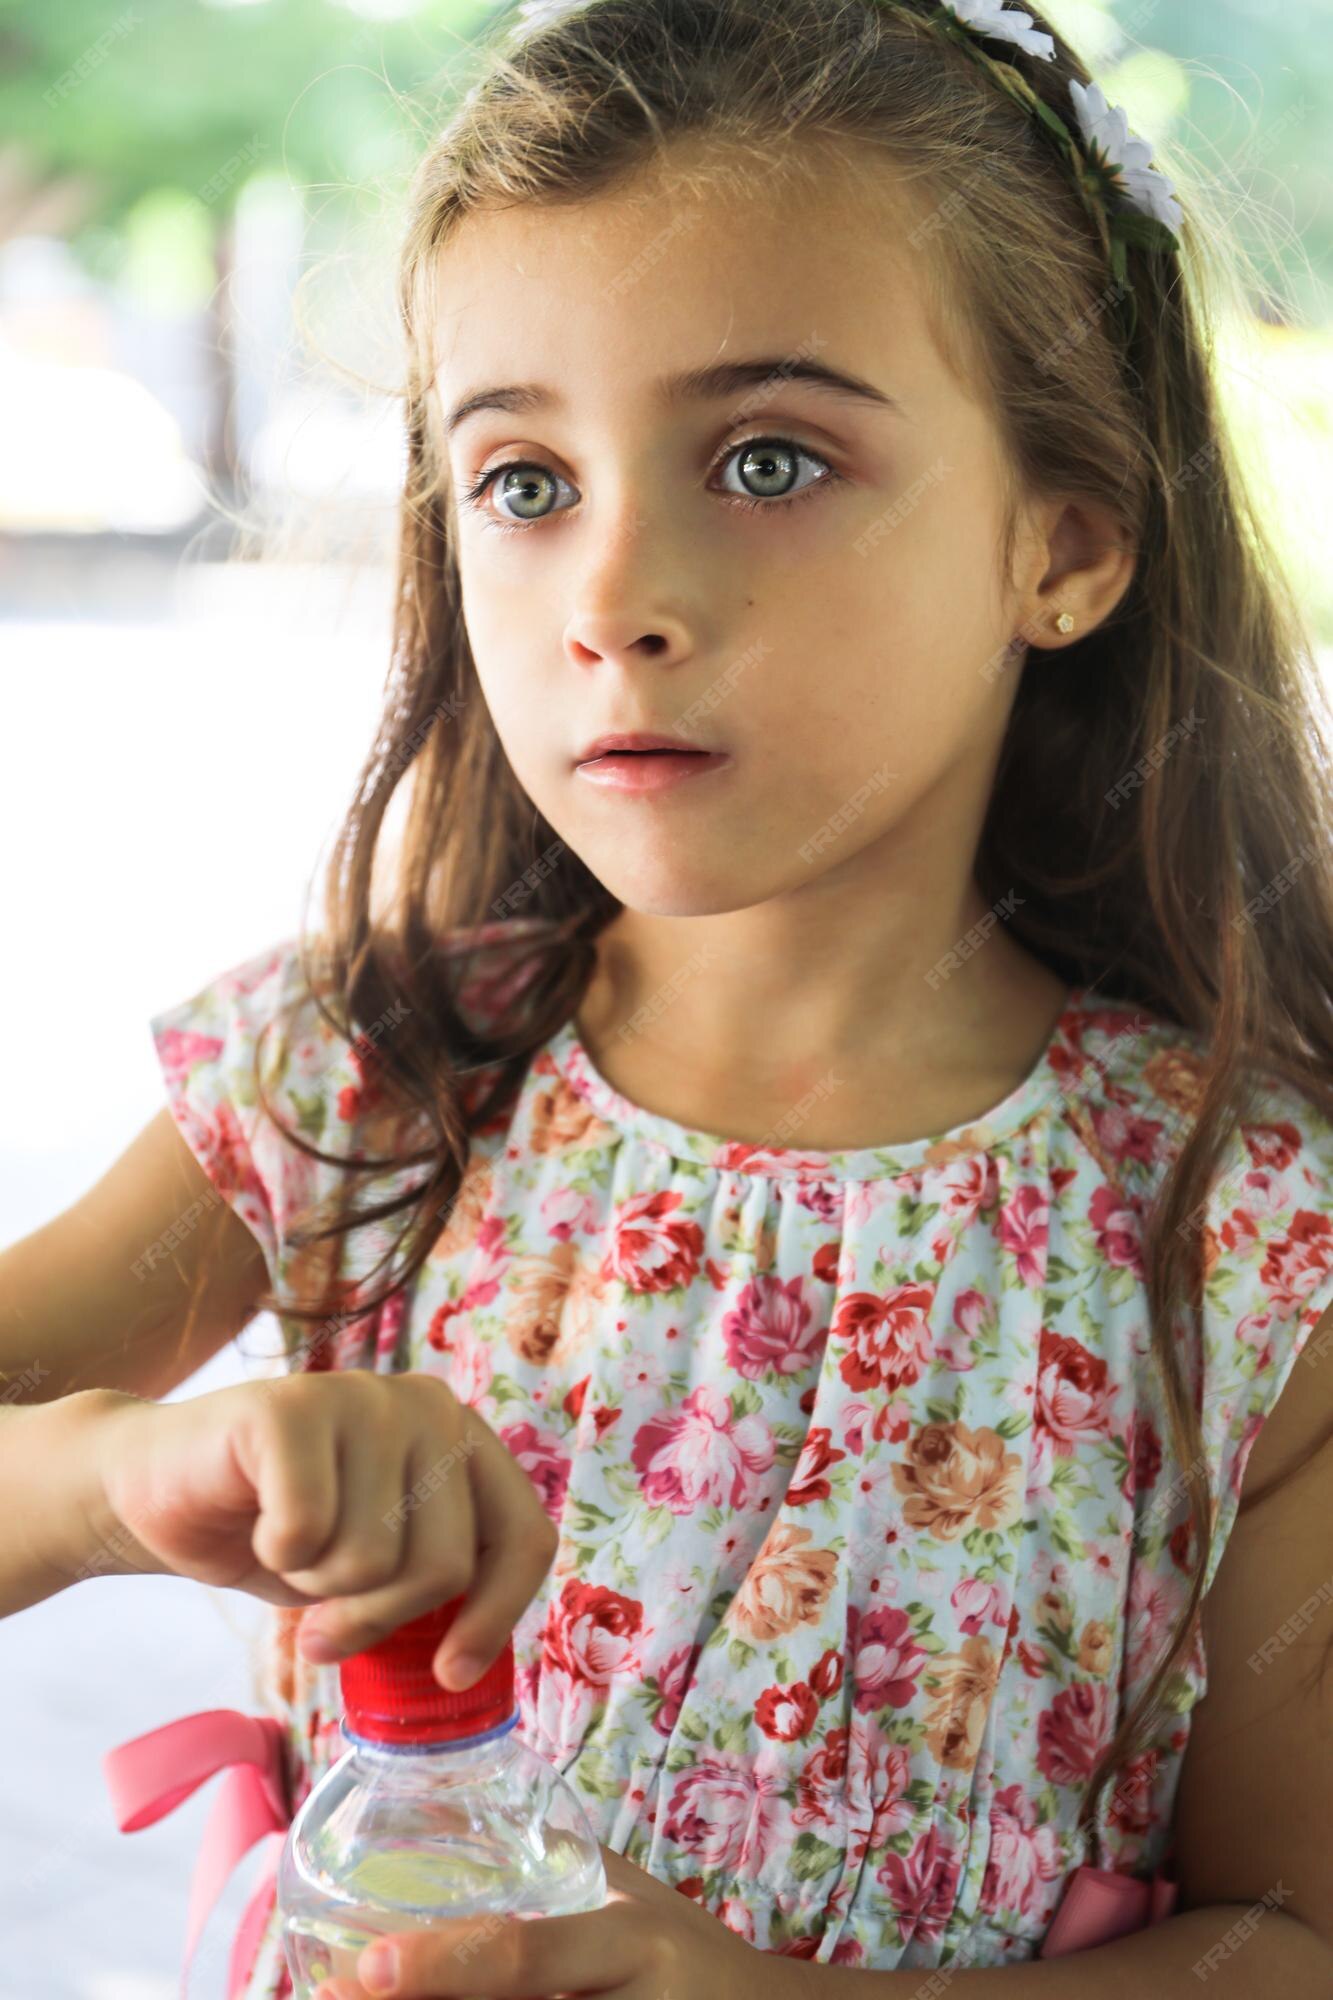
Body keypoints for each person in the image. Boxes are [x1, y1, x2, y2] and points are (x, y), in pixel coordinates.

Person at [4, 0, 1333, 1993]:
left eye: (770, 457)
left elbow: (1289, 1934)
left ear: (1061, 540)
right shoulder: (358, 1080)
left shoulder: (1240, 1242)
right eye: (524, 481)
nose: (611, 590)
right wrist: (115, 1476)